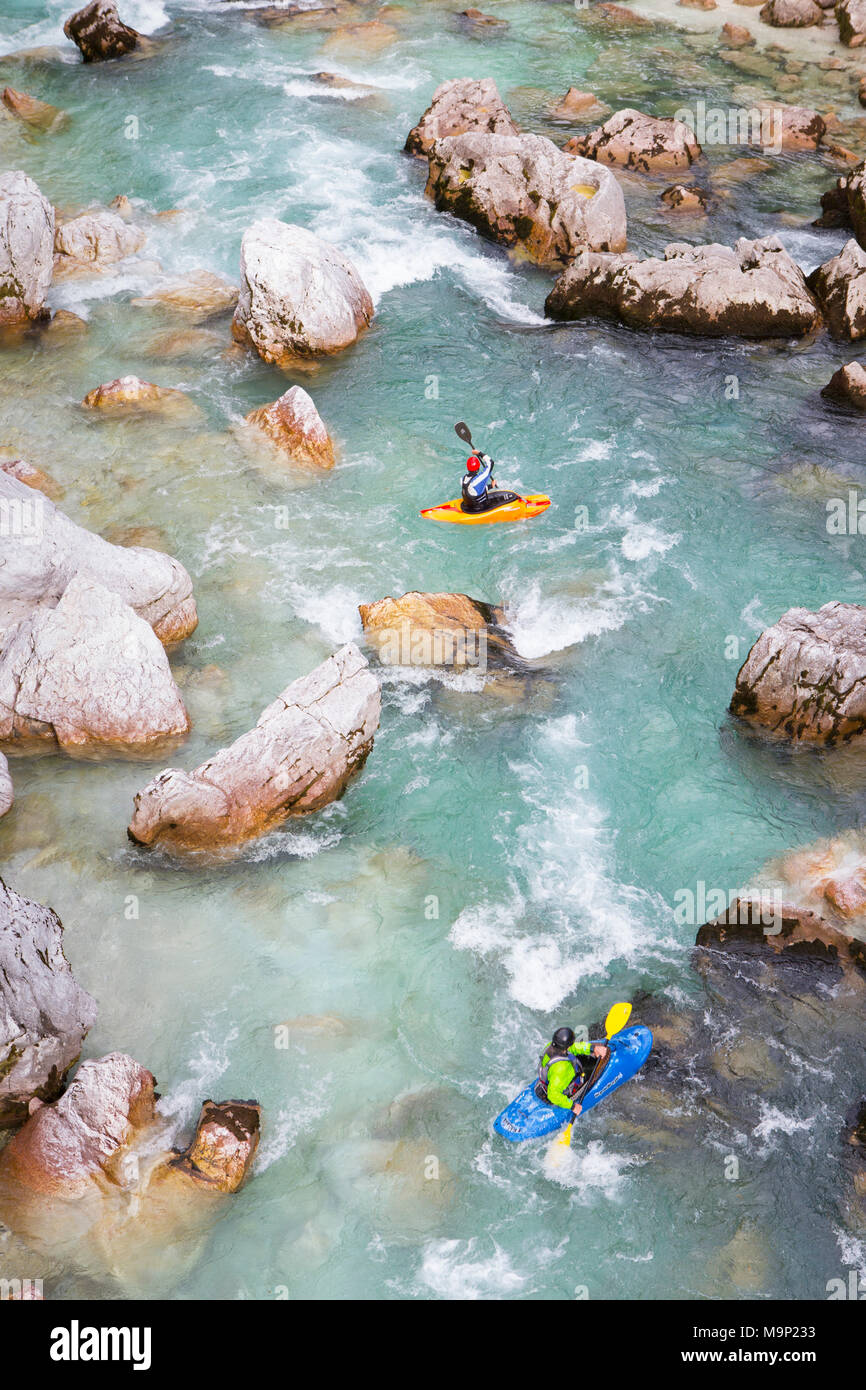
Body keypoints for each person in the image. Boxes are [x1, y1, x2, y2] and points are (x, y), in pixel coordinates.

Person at [535, 1026, 610, 1118]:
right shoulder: (562, 1068)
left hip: (548, 1084)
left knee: (583, 1059)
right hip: (562, 1091)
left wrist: (593, 1048)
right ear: (567, 1046)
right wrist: (573, 1106)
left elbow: (574, 1048)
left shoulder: (551, 1047)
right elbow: (553, 1094)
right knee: (590, 1072)